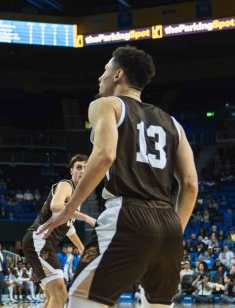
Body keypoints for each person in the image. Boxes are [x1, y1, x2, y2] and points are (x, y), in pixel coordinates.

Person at [38, 45, 199, 308]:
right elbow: (190, 184)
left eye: (104, 70)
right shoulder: (173, 123)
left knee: (80, 300)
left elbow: (104, 156)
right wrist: (174, 232)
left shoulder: (105, 105)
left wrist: (71, 208)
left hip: (127, 214)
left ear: (118, 74)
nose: (99, 77)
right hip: (169, 223)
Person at [24, 155, 92, 308]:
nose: (82, 171)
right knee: (60, 294)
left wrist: (81, 249)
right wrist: (86, 218)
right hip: (39, 243)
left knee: (51, 298)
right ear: (71, 171)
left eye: (86, 168)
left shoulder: (78, 196)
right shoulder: (65, 185)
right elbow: (56, 206)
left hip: (41, 245)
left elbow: (69, 228)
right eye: (79, 167)